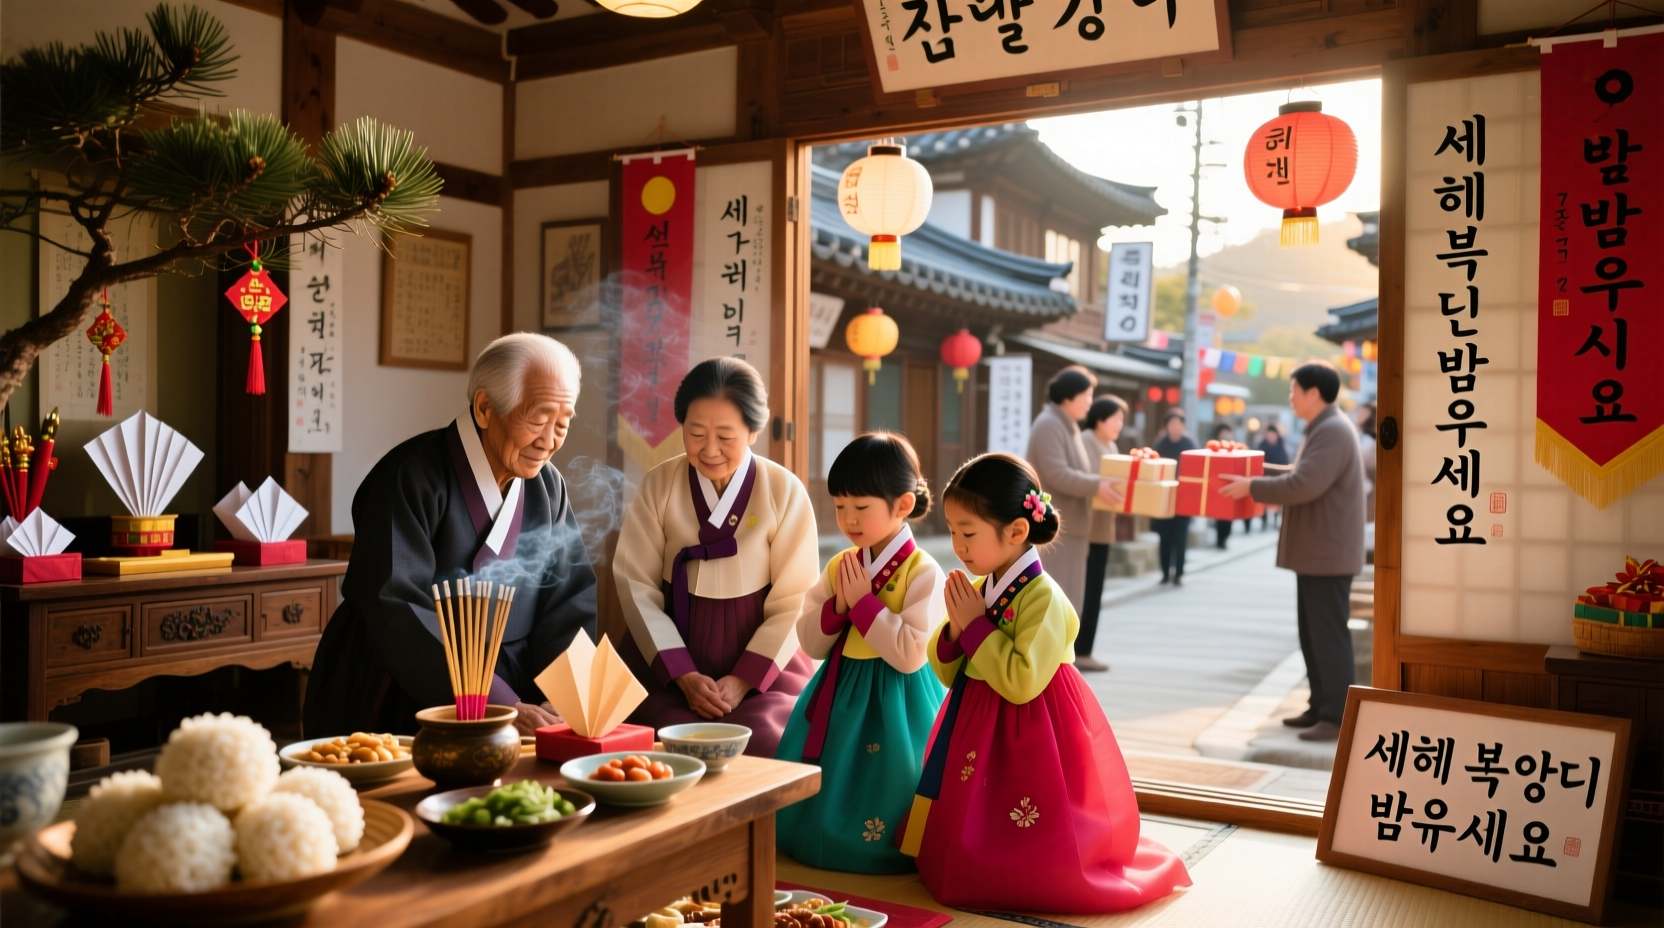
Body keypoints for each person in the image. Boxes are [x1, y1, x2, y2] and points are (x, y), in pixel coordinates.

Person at [899, 453, 1190, 912]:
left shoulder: (1045, 597)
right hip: (976, 712)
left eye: (968, 533)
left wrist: (974, 626)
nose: (958, 545)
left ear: (1016, 531)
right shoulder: (984, 586)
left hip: (1035, 722)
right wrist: (957, 628)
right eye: (953, 532)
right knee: (975, 804)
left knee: (1030, 813)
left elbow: (1022, 681)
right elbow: (950, 671)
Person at [306, 334, 596, 738]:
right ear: (484, 408)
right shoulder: (408, 476)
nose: (549, 442)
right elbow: (397, 605)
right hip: (412, 681)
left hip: (522, 689)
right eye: (538, 419)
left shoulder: (548, 487)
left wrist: (561, 695)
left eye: (562, 424)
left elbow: (569, 599)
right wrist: (496, 702)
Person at [614, 357, 818, 757]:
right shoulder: (659, 484)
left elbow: (796, 598)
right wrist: (684, 675)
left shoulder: (784, 490)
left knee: (771, 740)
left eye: (725, 436)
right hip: (667, 664)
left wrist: (743, 680)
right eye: (696, 433)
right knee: (646, 738)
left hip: (763, 672)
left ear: (753, 431)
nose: (709, 450)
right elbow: (637, 586)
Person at [776, 433, 947, 873]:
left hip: (899, 696)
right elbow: (810, 641)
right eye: (840, 506)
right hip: (841, 685)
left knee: (893, 773)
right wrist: (838, 605)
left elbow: (911, 653)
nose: (848, 519)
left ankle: (879, 846)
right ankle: (815, 834)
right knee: (832, 769)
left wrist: (864, 605)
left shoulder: (923, 571)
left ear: (903, 505)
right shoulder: (842, 565)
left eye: (861, 507)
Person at [1219, 362, 1366, 743]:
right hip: (1321, 552)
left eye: (1294, 390)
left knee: (1327, 635)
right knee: (1313, 633)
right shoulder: (1327, 427)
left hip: (1327, 553)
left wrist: (1251, 485)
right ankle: (1320, 705)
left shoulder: (1332, 429)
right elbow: (1298, 472)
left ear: (1313, 393)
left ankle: (1336, 714)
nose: (1291, 398)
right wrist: (1251, 468)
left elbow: (1304, 483)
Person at [1025, 366, 1121, 618]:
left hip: (1071, 527)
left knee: (1068, 603)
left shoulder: (1067, 425)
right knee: (1056, 604)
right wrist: (1097, 485)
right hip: (1056, 529)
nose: (1090, 402)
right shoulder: (1049, 424)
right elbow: (1058, 474)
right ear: (1069, 395)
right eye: (1086, 395)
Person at [1075, 395, 1128, 673]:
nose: (1119, 424)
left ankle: (1086, 649)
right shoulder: (1085, 441)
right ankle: (1078, 650)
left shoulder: (1110, 445)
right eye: (1115, 418)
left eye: (1122, 419)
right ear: (1099, 418)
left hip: (1103, 528)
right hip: (1085, 529)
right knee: (1083, 591)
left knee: (1095, 592)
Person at [1150, 411, 1197, 586]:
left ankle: (1179, 573)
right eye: (1172, 423)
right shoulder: (1160, 443)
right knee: (1164, 536)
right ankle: (1164, 573)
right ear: (1166, 426)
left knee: (1180, 537)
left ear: (1183, 425)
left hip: (1183, 498)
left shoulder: (1189, 444)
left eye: (1178, 423)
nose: (1175, 427)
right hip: (1163, 497)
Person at [1256, 423, 1291, 530]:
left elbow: (1285, 463)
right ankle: (1264, 522)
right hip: (1264, 479)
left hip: (1278, 479)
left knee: (1277, 503)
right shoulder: (1262, 446)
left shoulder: (1281, 447)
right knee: (1264, 503)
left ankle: (1276, 521)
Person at [1210, 423, 1236, 550]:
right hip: (1217, 486)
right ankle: (1219, 540)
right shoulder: (1213, 449)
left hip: (1231, 485)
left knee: (1229, 515)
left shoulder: (1235, 449)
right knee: (1219, 515)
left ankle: (1225, 538)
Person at [1355, 402, 1378, 524]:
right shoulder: (1360, 436)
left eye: (1363, 412)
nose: (1359, 415)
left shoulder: (1370, 440)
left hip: (1367, 491)